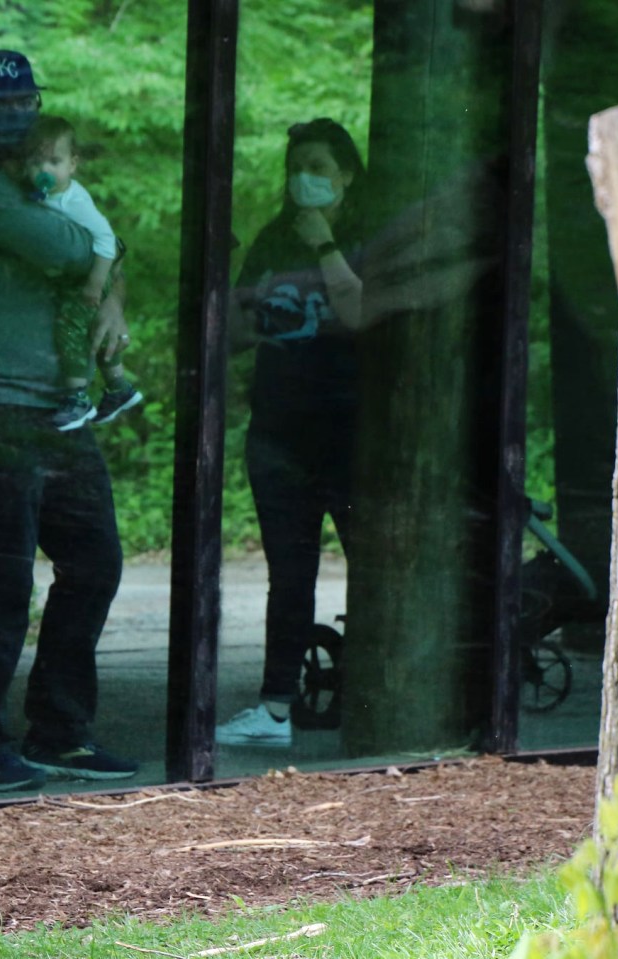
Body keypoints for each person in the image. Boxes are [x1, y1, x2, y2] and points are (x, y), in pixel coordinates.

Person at [0, 49, 139, 790]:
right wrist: (91, 268)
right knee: (7, 584)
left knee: (95, 562)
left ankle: (61, 730)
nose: (10, 117)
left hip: (58, 409)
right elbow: (70, 245)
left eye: (21, 104)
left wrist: (105, 293)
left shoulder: (32, 183)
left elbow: (96, 254)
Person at [216, 118, 367, 748]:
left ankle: (368, 697)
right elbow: (235, 332)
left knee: (374, 565)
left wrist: (327, 244)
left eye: (319, 168)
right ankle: (277, 708)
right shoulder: (274, 239)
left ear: (346, 176)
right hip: (278, 436)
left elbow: (363, 313)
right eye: (296, 167)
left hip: (351, 437)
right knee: (290, 574)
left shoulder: (360, 236)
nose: (304, 179)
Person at [21, 115, 144, 431]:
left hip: (90, 280)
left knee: (70, 329)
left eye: (54, 161)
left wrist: (96, 284)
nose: (44, 170)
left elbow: (107, 240)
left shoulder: (74, 200)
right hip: (73, 279)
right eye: (36, 163)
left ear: (72, 164)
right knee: (95, 333)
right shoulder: (44, 196)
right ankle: (119, 388)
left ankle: (77, 398)